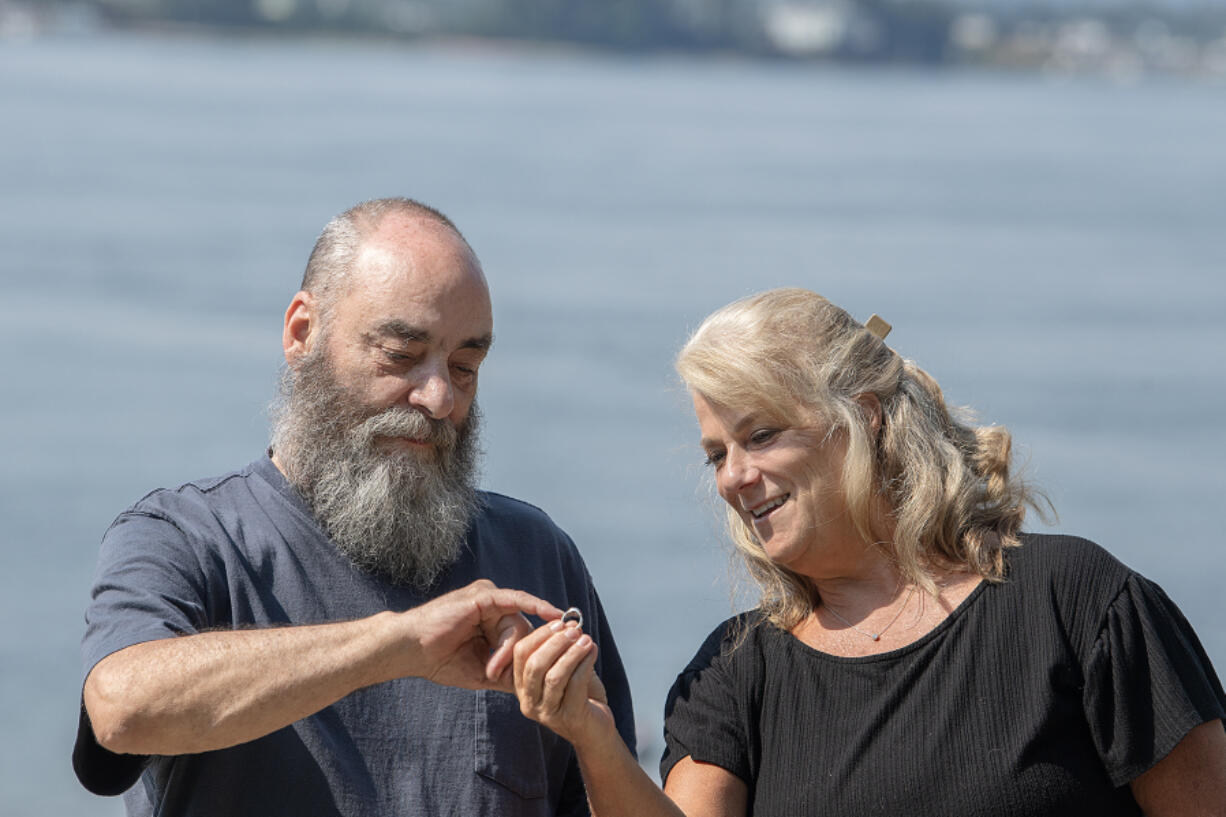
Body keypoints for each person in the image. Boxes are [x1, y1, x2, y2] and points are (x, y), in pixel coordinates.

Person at [511, 287, 1226, 816]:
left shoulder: (1075, 601)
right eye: (716, 455)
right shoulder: (735, 671)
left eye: (761, 435)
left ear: (865, 416)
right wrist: (594, 737)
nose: (733, 476)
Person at [74, 197, 635, 817]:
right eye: (400, 357)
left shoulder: (536, 554)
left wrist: (593, 738)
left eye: (466, 366)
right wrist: (395, 644)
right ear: (301, 333)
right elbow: (122, 708)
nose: (439, 396)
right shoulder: (187, 538)